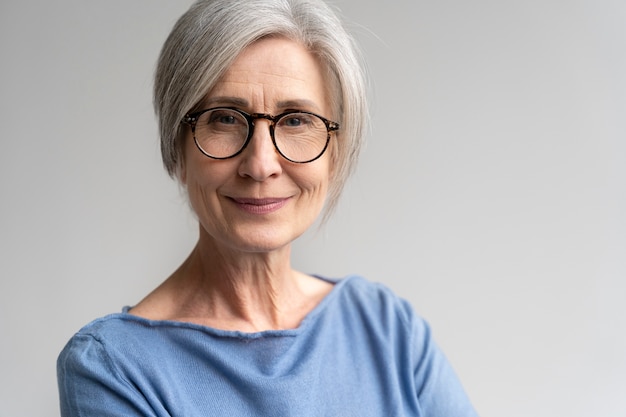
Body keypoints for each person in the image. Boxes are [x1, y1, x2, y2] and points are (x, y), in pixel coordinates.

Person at [57, 0, 478, 415]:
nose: (260, 165)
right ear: (177, 147)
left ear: (336, 152)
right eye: (224, 118)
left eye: (295, 120)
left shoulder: (386, 330)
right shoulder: (113, 369)